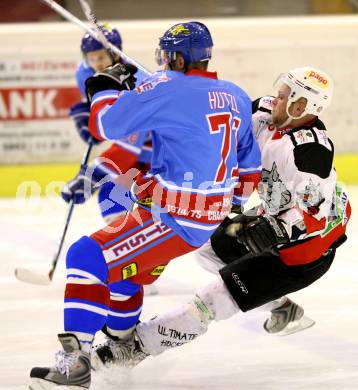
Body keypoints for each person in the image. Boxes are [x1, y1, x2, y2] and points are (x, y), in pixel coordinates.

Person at [29, 21, 261, 389]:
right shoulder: (234, 94)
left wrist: (104, 84)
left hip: (176, 216)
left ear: (179, 58)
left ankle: (76, 365)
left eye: (168, 55)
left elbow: (107, 124)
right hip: (196, 213)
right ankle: (121, 346)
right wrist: (224, 202)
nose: (164, 61)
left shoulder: (166, 87)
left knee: (86, 257)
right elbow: (249, 166)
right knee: (124, 273)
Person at [89, 66, 351, 368]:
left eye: (283, 97)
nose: (274, 100)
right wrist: (156, 89)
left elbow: (314, 216)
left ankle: (136, 349)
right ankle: (281, 306)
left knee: (209, 302)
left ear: (301, 106)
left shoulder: (310, 153)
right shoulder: (264, 113)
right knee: (209, 251)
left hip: (304, 252)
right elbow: (219, 121)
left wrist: (267, 232)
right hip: (271, 217)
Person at [62, 24, 152, 223]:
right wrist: (88, 113)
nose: (96, 64)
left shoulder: (137, 81)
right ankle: (129, 247)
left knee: (153, 209)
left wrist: (91, 177)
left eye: (101, 57)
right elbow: (99, 106)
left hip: (161, 154)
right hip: (138, 150)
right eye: (91, 58)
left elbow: (129, 147)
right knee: (111, 200)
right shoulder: (84, 73)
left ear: (115, 53)